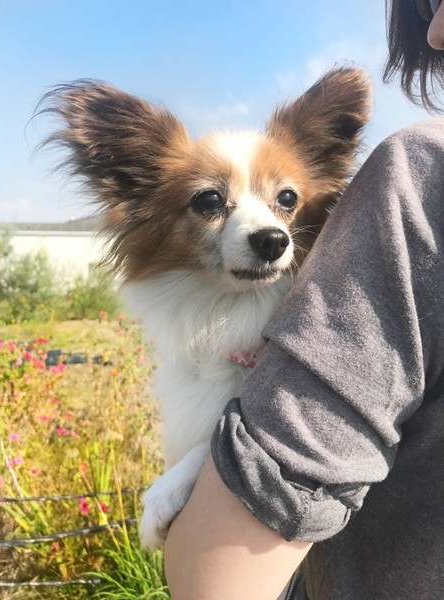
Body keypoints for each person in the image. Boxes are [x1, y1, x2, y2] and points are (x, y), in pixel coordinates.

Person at [164, 1, 444, 598]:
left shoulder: (423, 172)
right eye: (212, 202)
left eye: (286, 200)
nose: (437, 26)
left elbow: (213, 582)